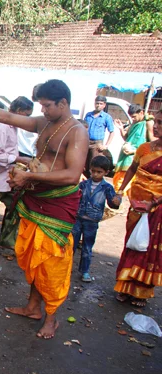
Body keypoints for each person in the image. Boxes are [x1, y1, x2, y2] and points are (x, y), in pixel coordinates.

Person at [0, 79, 88, 339]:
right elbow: (7, 116)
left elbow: (73, 175)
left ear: (63, 103)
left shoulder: (76, 132)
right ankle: (32, 308)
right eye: (41, 106)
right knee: (34, 258)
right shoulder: (45, 123)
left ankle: (51, 319)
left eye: (47, 106)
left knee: (51, 262)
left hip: (56, 204)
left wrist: (30, 177)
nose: (43, 111)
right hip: (36, 199)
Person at [113, 109, 162, 308]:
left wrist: (155, 203)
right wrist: (121, 190)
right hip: (137, 206)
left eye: (160, 123)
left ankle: (141, 291)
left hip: (157, 209)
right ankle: (124, 286)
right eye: (156, 122)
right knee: (132, 243)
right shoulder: (143, 148)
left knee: (149, 248)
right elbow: (132, 169)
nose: (156, 126)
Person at [0, 96, 34, 249]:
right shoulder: (1, 126)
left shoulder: (12, 126)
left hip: (8, 176)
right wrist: (19, 159)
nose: (27, 119)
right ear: (19, 111)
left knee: (16, 209)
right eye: (26, 115)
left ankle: (7, 243)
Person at [72, 156, 121, 283]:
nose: (95, 174)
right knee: (71, 244)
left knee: (87, 247)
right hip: (78, 218)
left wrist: (116, 201)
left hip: (92, 221)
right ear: (89, 170)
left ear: (106, 172)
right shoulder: (83, 184)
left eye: (99, 172)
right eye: (93, 171)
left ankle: (85, 271)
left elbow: (112, 203)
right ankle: (65, 268)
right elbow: (74, 198)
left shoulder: (107, 187)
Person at [112, 104, 154, 193]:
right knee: (120, 179)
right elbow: (126, 137)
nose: (133, 119)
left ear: (141, 112)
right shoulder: (134, 123)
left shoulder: (148, 123)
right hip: (126, 156)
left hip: (138, 156)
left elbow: (152, 141)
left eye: (134, 116)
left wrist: (135, 150)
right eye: (132, 117)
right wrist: (120, 128)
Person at [84, 96, 116, 177]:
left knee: (94, 165)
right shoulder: (88, 115)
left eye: (101, 104)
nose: (98, 105)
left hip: (97, 144)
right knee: (84, 165)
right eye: (97, 103)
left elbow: (112, 132)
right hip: (86, 142)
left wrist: (106, 146)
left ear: (104, 105)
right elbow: (83, 127)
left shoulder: (106, 117)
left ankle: (92, 185)